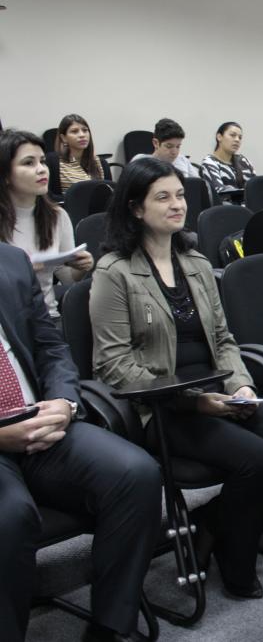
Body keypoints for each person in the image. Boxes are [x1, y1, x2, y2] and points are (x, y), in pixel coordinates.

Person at [91, 157, 263, 599]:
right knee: (258, 458)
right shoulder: (114, 272)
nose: (177, 205)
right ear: (135, 208)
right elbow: (113, 364)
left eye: (181, 195)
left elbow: (225, 338)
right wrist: (193, 401)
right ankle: (236, 555)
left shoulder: (194, 262)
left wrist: (240, 385)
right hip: (163, 406)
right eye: (163, 197)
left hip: (219, 392)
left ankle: (213, 523)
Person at [0, 240, 161, 642]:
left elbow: (50, 347)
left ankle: (109, 626)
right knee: (10, 517)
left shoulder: (10, 259)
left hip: (40, 419)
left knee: (137, 474)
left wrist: (64, 402)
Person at [1, 130, 93, 317]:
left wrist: (81, 269)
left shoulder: (57, 216)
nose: (42, 169)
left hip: (46, 318)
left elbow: (66, 279)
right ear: (5, 175)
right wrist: (24, 269)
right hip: (6, 326)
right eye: (29, 163)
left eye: (42, 161)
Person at [45, 114, 112, 200]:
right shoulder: (53, 161)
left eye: (85, 130)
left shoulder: (102, 163)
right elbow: (48, 197)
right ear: (64, 138)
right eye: (74, 131)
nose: (82, 135)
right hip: (67, 211)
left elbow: (110, 194)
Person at [133, 118, 200, 179]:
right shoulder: (140, 161)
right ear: (156, 143)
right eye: (169, 146)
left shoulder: (183, 160)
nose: (174, 152)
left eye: (178, 146)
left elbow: (200, 186)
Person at [200, 121, 255, 195]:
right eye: (232, 135)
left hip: (248, 204)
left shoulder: (243, 160)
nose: (237, 140)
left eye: (240, 137)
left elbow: (255, 187)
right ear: (219, 137)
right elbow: (220, 191)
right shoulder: (209, 162)